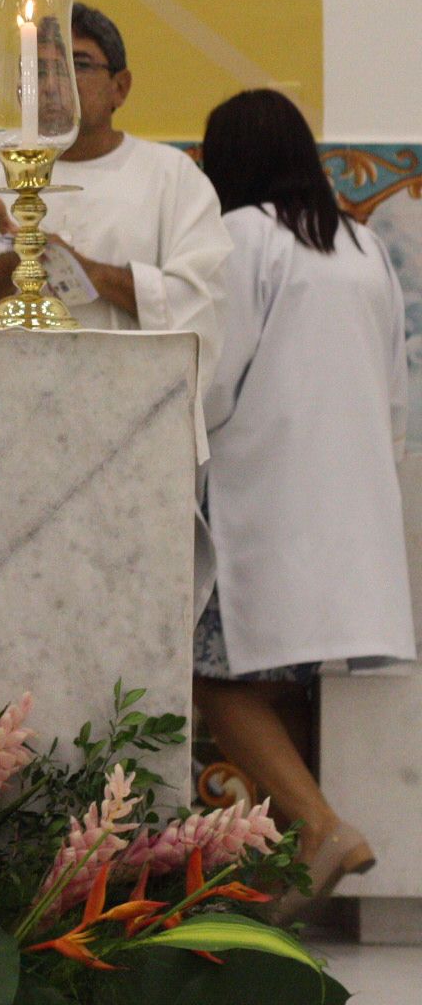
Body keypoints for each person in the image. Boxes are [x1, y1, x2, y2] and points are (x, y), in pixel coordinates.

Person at [193, 88, 413, 910]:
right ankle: (288, 869)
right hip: (353, 503)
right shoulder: (361, 243)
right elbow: (394, 388)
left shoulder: (240, 236)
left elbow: (216, 382)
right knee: (284, 681)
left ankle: (322, 828)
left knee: (213, 677)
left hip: (264, 500)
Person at [0, 2, 231, 362]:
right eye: (38, 70)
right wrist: (12, 266)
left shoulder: (172, 176)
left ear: (120, 87)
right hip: (6, 386)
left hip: (124, 390)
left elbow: (201, 303)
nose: (53, 85)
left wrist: (88, 273)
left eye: (79, 66)